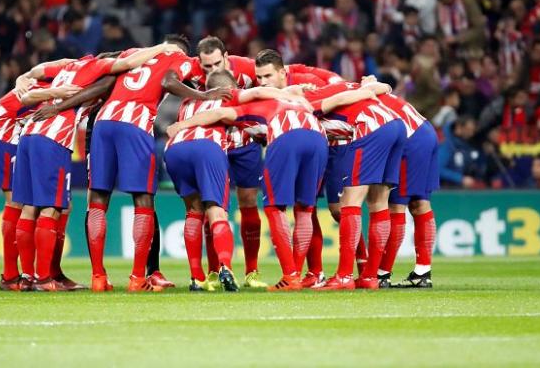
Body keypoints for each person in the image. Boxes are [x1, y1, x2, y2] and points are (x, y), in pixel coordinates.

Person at [12, 44, 181, 292]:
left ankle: (32, 276)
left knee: (32, 208)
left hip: (31, 133)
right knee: (52, 207)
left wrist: (26, 82)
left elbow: (28, 88)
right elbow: (124, 65)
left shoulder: (68, 64)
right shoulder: (99, 68)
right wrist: (162, 47)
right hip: (54, 137)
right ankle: (45, 278)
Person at [164, 83, 298, 291]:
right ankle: (220, 268)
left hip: (193, 147)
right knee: (215, 210)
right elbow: (258, 93)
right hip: (212, 147)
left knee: (200, 209)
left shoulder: (189, 99)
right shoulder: (226, 92)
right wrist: (292, 94)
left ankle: (210, 276)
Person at [0, 59, 80, 291]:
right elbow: (38, 72)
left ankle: (48, 273)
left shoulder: (72, 77)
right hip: (4, 128)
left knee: (56, 204)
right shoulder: (67, 72)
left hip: (26, 130)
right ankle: (12, 276)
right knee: (17, 201)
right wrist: (26, 79)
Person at [302, 81, 406, 290]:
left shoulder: (304, 105)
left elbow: (337, 102)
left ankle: (344, 275)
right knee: (378, 202)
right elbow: (374, 86)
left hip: (370, 127)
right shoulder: (334, 87)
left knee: (350, 201)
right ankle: (369, 277)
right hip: (395, 124)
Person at [253, 48, 338, 288]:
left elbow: (337, 89)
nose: (262, 82)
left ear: (283, 73)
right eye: (259, 77)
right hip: (318, 141)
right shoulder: (295, 92)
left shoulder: (306, 84)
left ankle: (292, 274)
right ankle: (306, 274)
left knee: (277, 207)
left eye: (268, 76)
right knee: (306, 209)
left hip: (295, 140)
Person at [358, 77, 439, 288]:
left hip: (409, 140)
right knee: (420, 203)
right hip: (425, 131)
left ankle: (382, 273)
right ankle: (422, 271)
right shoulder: (368, 91)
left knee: (395, 205)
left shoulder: (357, 97)